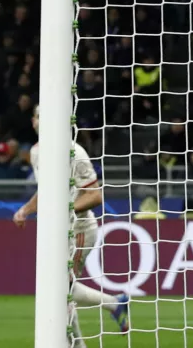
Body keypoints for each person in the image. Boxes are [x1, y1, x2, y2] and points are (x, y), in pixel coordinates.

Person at [12, 106, 128, 347]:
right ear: (33, 122)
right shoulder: (36, 152)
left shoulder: (75, 151)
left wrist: (63, 211)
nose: (38, 120)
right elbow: (45, 190)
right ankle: (115, 304)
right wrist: (26, 209)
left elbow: (95, 196)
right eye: (36, 116)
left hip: (80, 230)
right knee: (60, 290)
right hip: (58, 230)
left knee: (60, 290)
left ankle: (108, 311)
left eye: (43, 115)